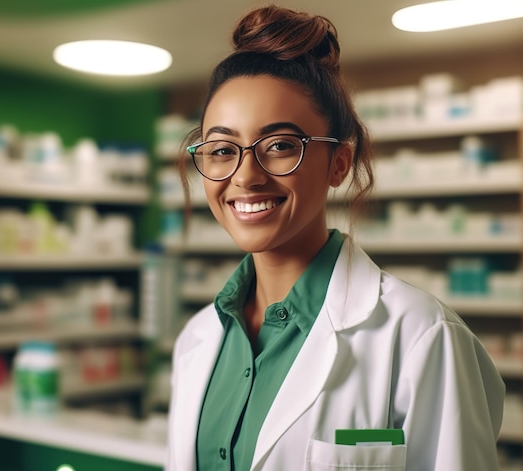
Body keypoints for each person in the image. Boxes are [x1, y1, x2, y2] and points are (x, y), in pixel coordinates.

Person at [168, 4, 505, 470]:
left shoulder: (421, 336)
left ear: (339, 163)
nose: (245, 176)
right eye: (223, 149)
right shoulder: (198, 339)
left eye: (281, 145)